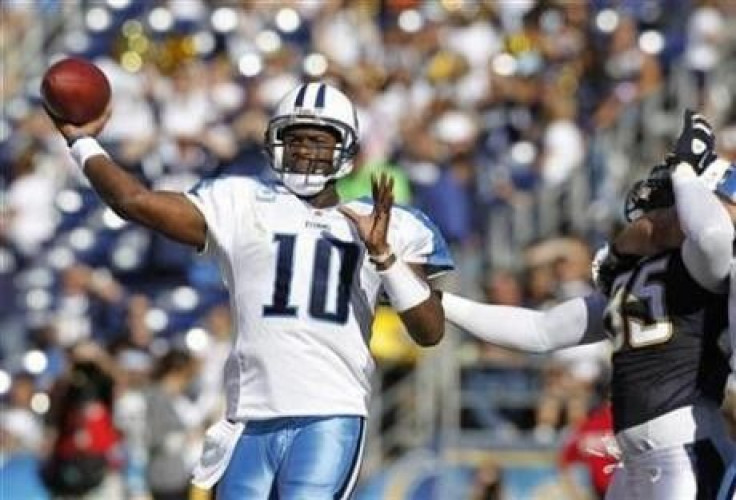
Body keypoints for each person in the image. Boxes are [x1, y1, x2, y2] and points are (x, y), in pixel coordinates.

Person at [44, 81, 453, 499]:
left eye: (318, 141)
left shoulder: (390, 222)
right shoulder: (242, 202)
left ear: (344, 150)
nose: (305, 152)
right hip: (250, 417)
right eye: (295, 141)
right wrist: (82, 143)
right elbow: (135, 201)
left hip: (329, 413)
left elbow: (429, 331)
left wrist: (385, 257)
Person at [439, 111, 736, 499]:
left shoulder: (708, 262)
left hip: (688, 449)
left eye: (671, 196)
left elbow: (713, 233)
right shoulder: (640, 274)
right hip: (636, 459)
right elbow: (541, 331)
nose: (658, 204)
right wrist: (441, 302)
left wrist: (685, 173)